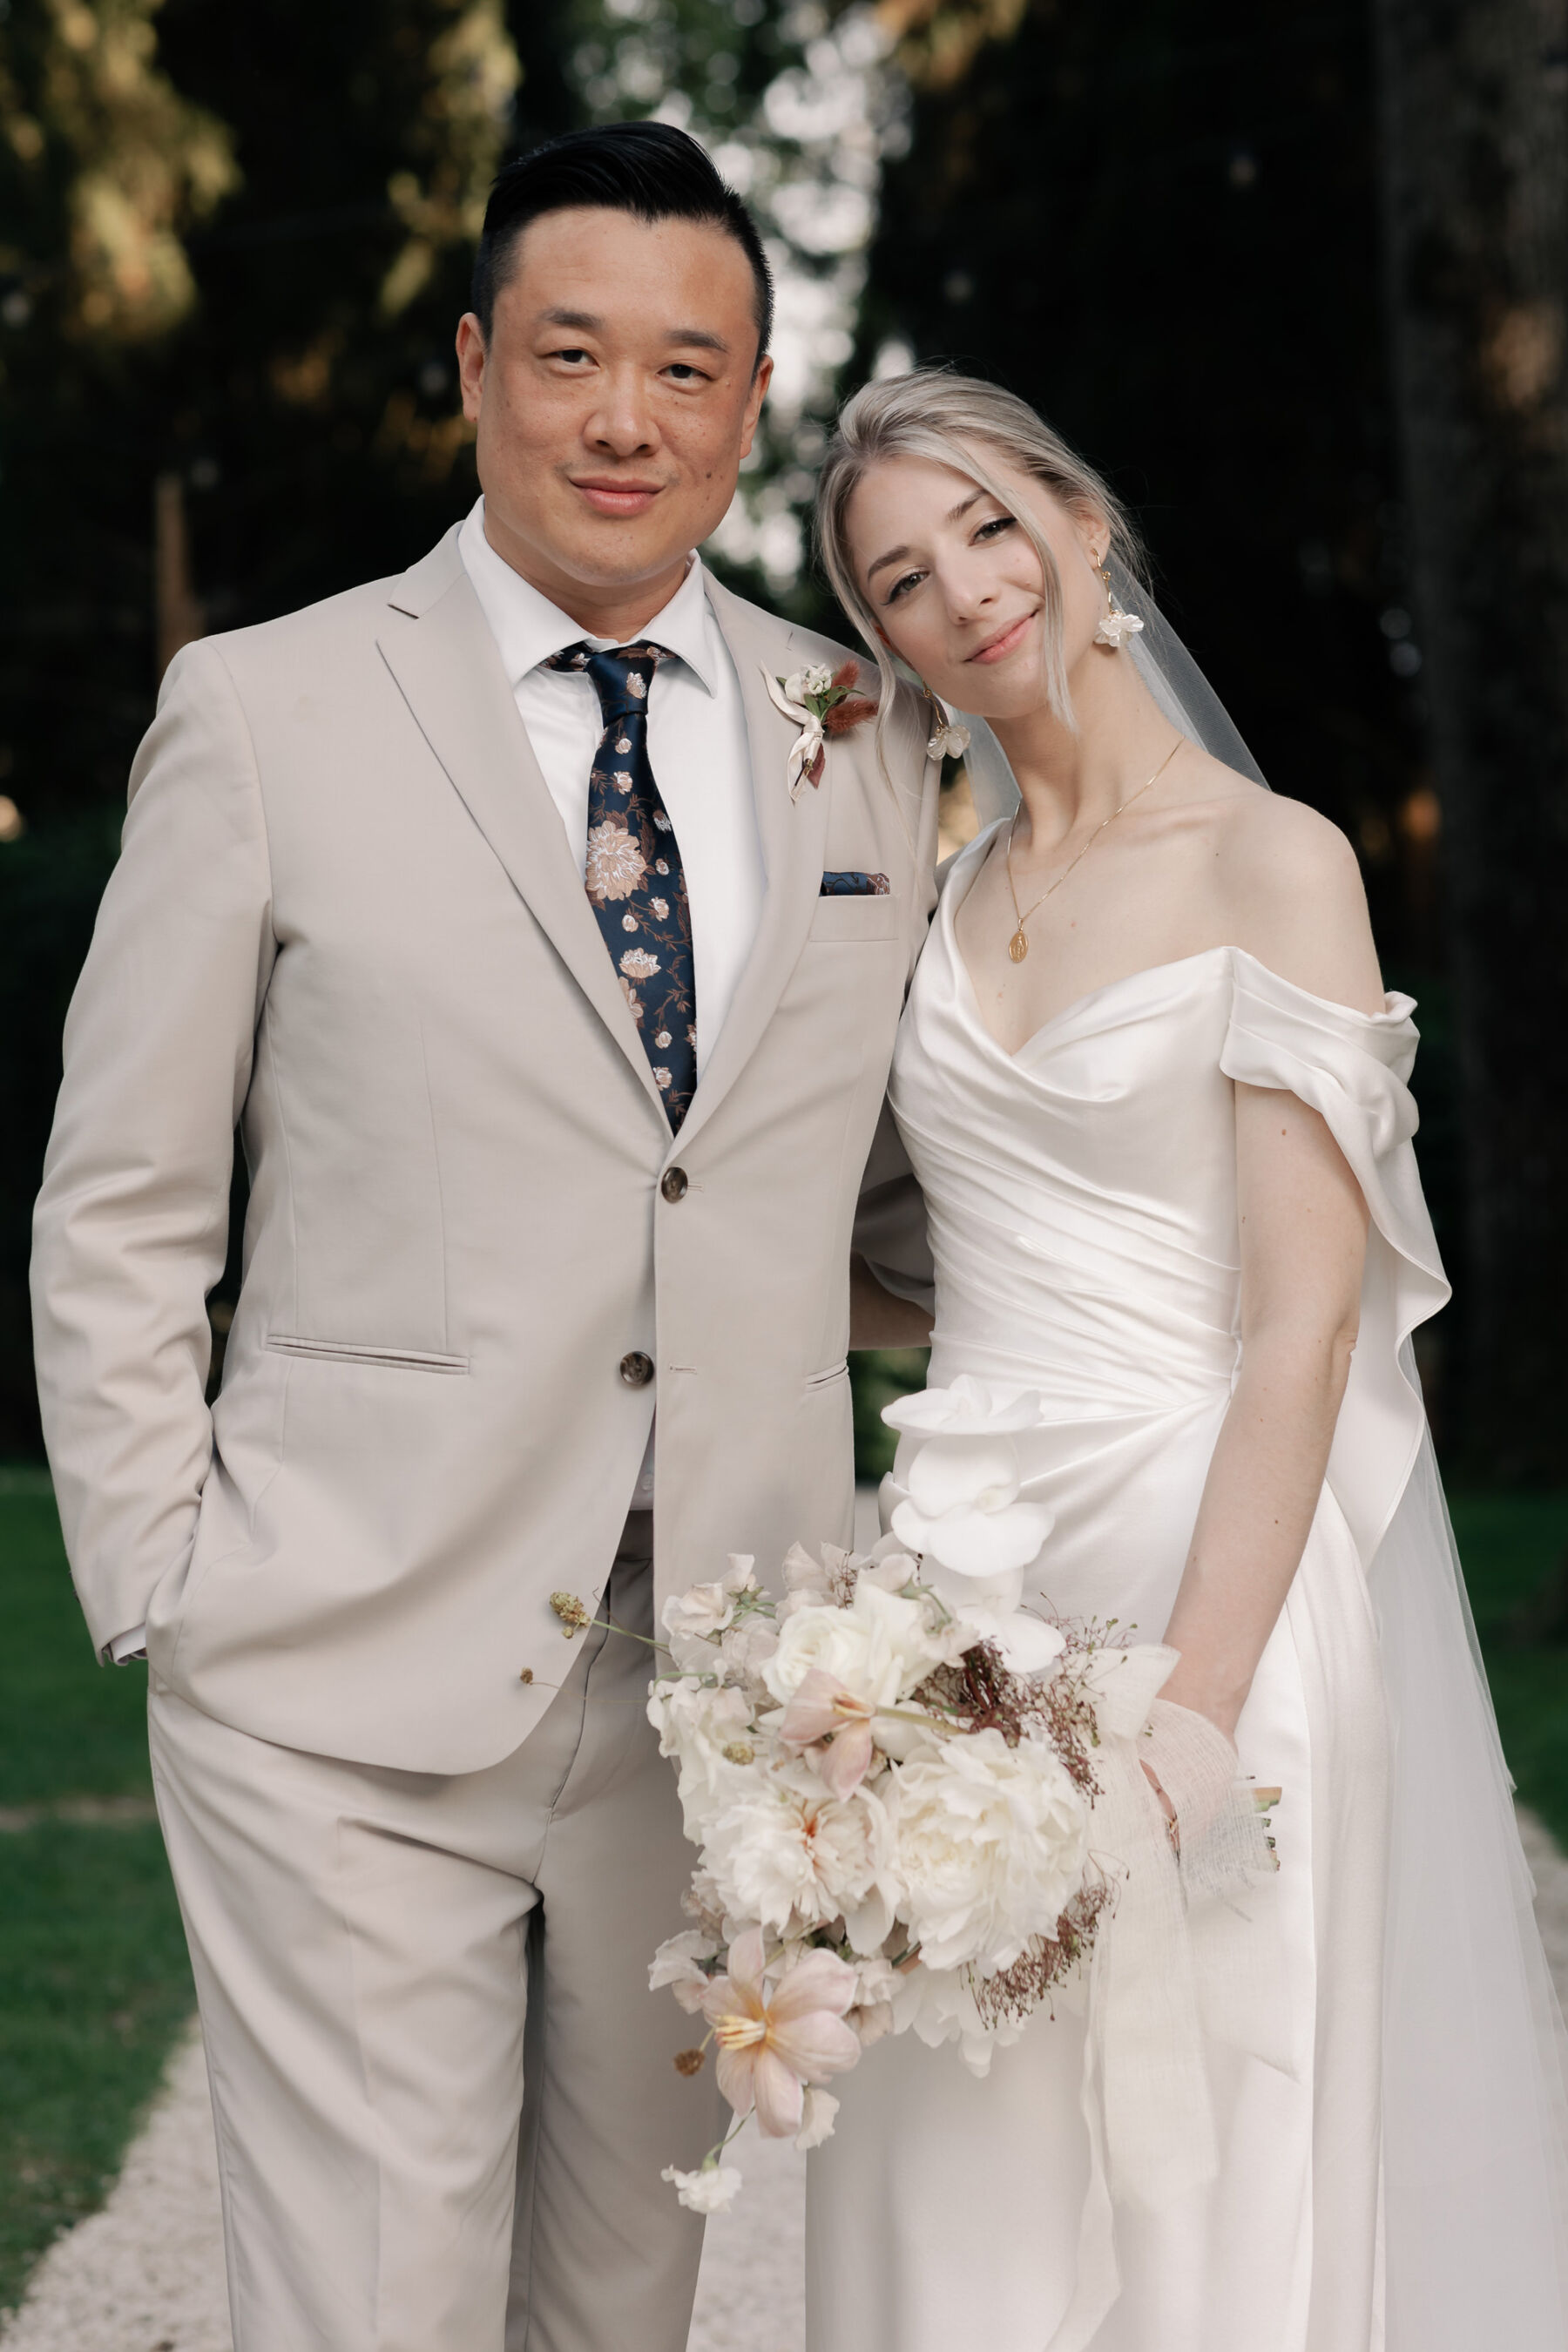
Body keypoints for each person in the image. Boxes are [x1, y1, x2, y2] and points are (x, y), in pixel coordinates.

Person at [30, 125, 940, 2352]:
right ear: (472, 368)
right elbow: (124, 1197)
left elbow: (885, 1190)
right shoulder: (266, 710)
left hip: (727, 1704)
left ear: (751, 403)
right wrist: (170, 1577)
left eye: (686, 369)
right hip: (338, 1667)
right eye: (569, 356)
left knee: (622, 2311)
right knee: (371, 2310)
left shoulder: (875, 732)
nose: (624, 420)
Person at [805, 366, 1568, 2352]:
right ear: (880, 636)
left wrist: (1191, 1725)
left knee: (1207, 2187)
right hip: (958, 1598)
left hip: (1206, 1585)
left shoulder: (1273, 862)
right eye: (901, 577)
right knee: (945, 2167)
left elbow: (1300, 1320)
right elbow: (945, 1261)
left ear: (1083, 515)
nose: (965, 593)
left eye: (989, 524)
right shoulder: (944, 896)